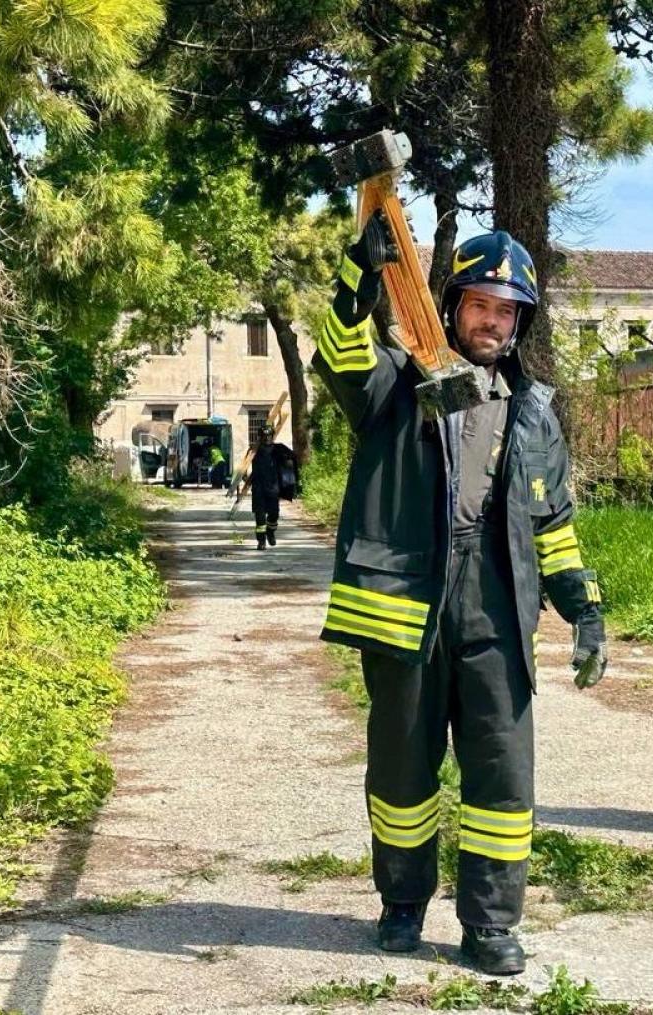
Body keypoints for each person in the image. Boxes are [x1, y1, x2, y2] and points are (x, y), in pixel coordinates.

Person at [312, 214, 608, 975]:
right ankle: (402, 902)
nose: (493, 321)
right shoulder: (396, 381)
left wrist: (585, 608)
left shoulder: (534, 411)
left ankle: (491, 923)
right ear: (453, 307)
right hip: (407, 599)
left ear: (521, 322)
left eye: (507, 310)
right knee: (402, 769)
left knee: (502, 772)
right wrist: (359, 275)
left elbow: (553, 522)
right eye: (480, 304)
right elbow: (339, 355)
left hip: (498, 603)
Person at [250, 423, 282, 550]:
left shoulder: (277, 451)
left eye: (269, 436)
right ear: (260, 437)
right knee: (260, 517)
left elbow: (285, 468)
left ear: (272, 436)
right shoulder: (254, 451)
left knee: (274, 514)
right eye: (264, 436)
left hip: (273, 488)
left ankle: (270, 532)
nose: (267, 438)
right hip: (258, 489)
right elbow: (244, 465)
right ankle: (261, 541)